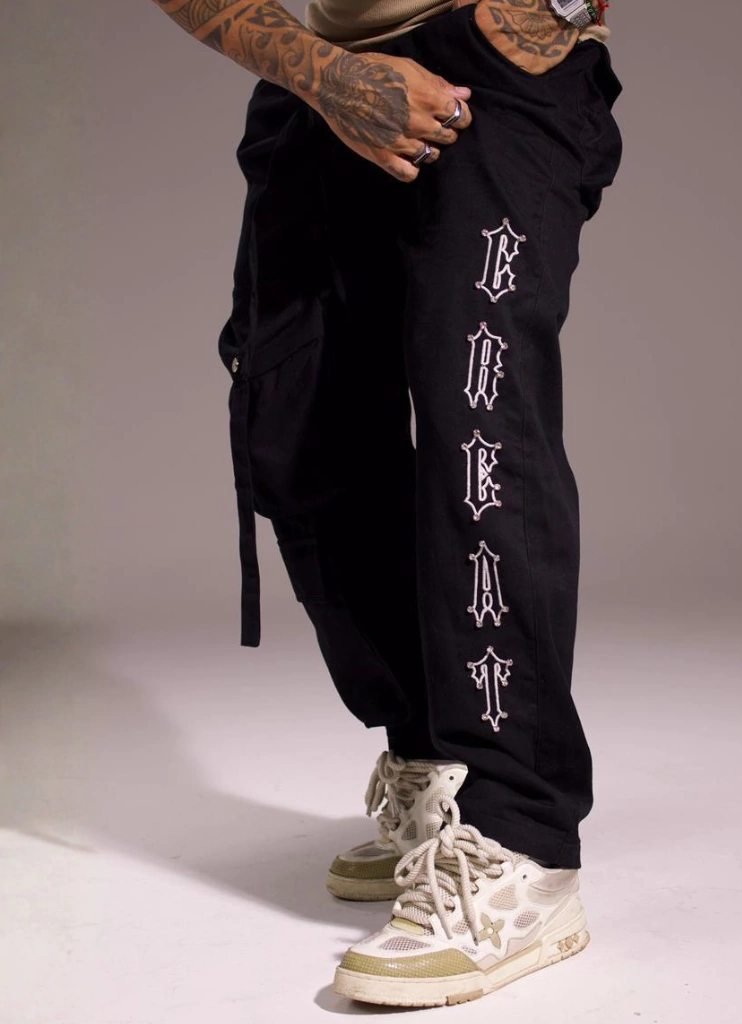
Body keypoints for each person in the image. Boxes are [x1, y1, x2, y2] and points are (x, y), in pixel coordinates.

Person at [152, 0, 623, 1007]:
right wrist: (323, 75)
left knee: (481, 437)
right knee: (300, 427)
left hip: (483, 71)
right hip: (318, 78)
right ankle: (433, 763)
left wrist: (555, 14)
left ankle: (522, 841)